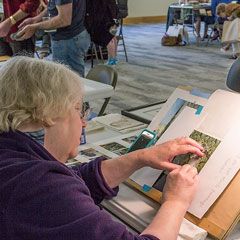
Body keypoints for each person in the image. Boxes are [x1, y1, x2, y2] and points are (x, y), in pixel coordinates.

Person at [0, 56, 204, 240]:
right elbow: (55, 191)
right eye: (80, 110)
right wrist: (176, 202)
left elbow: (71, 180)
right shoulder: (37, 186)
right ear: (50, 114)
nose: (84, 123)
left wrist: (140, 157)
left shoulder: (14, 157)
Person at [17, 0, 90, 77]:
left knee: (69, 80)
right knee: (64, 78)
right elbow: (52, 6)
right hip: (68, 39)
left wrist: (35, 26)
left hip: (68, 40)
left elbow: (64, 20)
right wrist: (35, 19)